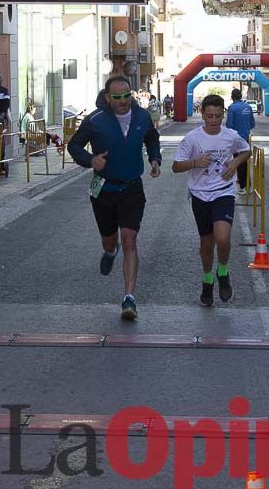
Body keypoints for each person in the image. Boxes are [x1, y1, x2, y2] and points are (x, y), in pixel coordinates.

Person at [68, 75, 162, 321]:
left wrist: (155, 158)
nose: (123, 102)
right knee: (110, 241)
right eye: (117, 97)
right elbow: (74, 145)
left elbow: (151, 137)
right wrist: (91, 160)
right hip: (104, 190)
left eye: (126, 96)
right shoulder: (95, 120)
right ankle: (110, 252)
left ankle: (129, 298)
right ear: (108, 98)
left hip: (132, 188)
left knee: (130, 239)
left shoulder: (141, 116)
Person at [173, 95, 250, 307]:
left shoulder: (230, 135)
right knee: (206, 243)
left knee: (223, 238)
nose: (214, 121)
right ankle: (207, 281)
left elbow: (246, 151)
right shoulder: (192, 138)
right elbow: (176, 166)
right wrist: (195, 162)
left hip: (223, 191)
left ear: (223, 114)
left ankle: (223, 272)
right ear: (202, 115)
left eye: (218, 116)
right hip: (200, 194)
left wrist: (235, 162)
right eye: (209, 116)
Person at [225, 88, 256, 190]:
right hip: (246, 137)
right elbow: (252, 123)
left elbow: (229, 125)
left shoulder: (232, 108)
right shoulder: (247, 107)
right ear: (241, 96)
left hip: (236, 139)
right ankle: (244, 182)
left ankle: (244, 186)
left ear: (232, 97)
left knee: (238, 162)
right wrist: (245, 129)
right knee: (244, 161)